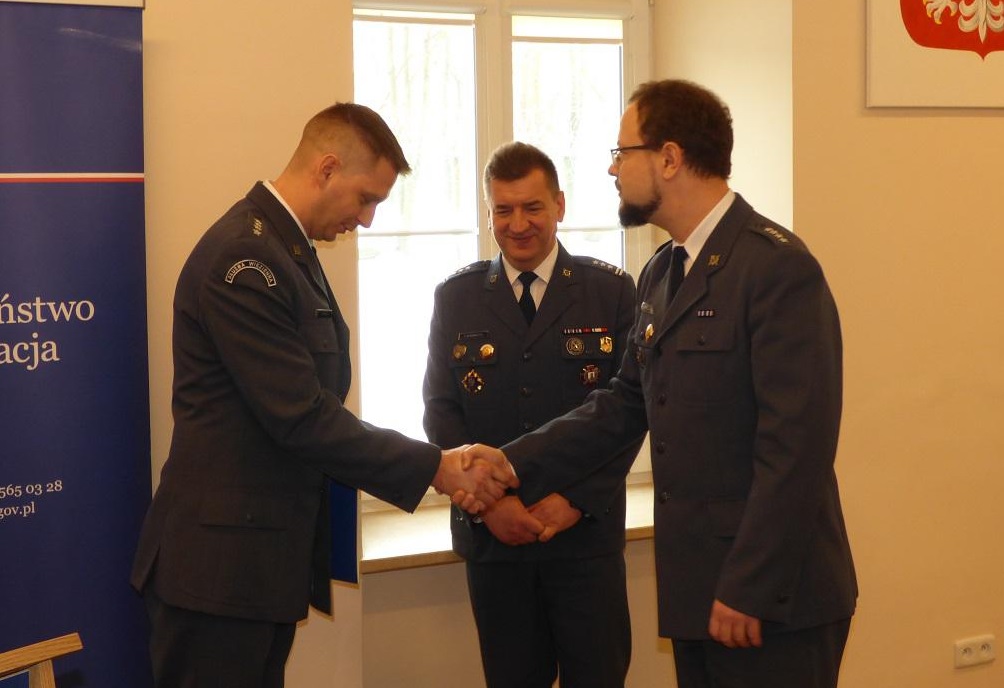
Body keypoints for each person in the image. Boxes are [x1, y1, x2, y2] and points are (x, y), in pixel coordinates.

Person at [465, 80, 858, 688]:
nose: (613, 169)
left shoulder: (775, 267)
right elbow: (624, 404)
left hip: (772, 599)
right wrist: (509, 462)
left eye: (622, 153)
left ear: (669, 158)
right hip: (701, 588)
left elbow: (797, 451)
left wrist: (751, 585)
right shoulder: (663, 271)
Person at [130, 103, 515, 688]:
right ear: (327, 168)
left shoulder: (287, 249)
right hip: (218, 573)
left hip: (256, 565)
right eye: (366, 198)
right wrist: (437, 466)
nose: (367, 219)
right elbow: (302, 417)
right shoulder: (245, 259)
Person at [423, 142, 641, 688]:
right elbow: (441, 413)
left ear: (559, 205)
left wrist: (575, 502)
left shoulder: (610, 291)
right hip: (494, 543)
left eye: (532, 207)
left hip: (585, 540)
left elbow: (629, 413)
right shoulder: (456, 296)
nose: (518, 224)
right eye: (503, 210)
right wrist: (492, 506)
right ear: (488, 213)